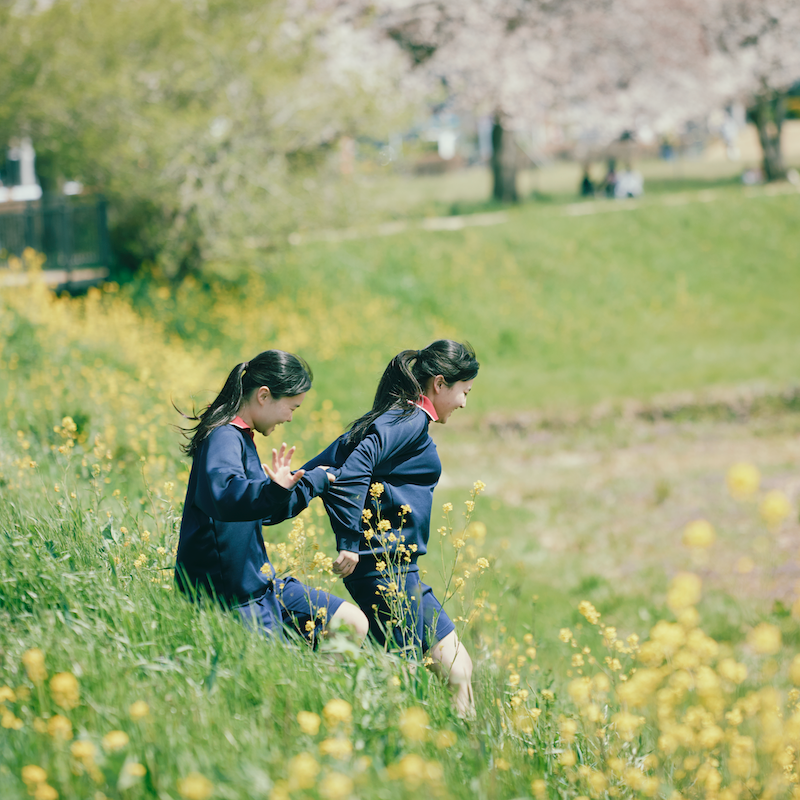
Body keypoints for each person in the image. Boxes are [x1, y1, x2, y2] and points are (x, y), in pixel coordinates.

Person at [302, 340, 479, 715]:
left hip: (397, 569)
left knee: (458, 667)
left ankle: (462, 741)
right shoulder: (408, 419)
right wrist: (349, 540)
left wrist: (280, 489)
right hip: (384, 571)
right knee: (408, 677)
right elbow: (354, 467)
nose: (464, 403)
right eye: (464, 391)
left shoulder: (395, 418)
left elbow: (327, 467)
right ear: (439, 384)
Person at [175, 349, 368, 643]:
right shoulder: (224, 436)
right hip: (231, 601)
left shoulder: (240, 437)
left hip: (260, 588)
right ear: (264, 396)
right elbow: (225, 495)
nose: (290, 418)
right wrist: (275, 489)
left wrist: (313, 481)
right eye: (292, 408)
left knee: (352, 622)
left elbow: (263, 508)